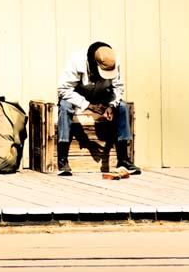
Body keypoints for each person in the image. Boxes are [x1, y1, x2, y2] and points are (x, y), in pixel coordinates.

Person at [56, 41, 140, 176]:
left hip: (101, 94)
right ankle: (62, 159)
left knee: (123, 107)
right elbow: (63, 89)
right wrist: (87, 105)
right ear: (93, 64)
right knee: (65, 107)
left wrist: (112, 105)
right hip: (78, 95)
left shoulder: (112, 61)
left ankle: (123, 159)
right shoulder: (76, 61)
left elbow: (118, 88)